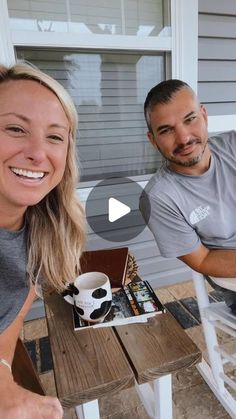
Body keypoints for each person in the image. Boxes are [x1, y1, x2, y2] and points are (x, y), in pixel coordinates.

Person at [0, 62, 86, 418]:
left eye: (54, 137)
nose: (38, 153)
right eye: (16, 129)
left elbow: (13, 315)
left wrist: (4, 369)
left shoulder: (42, 231)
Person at [140, 79, 236, 314]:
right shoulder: (159, 197)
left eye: (190, 119)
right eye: (166, 130)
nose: (183, 138)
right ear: (153, 139)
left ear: (203, 115)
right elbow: (202, 260)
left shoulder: (233, 145)